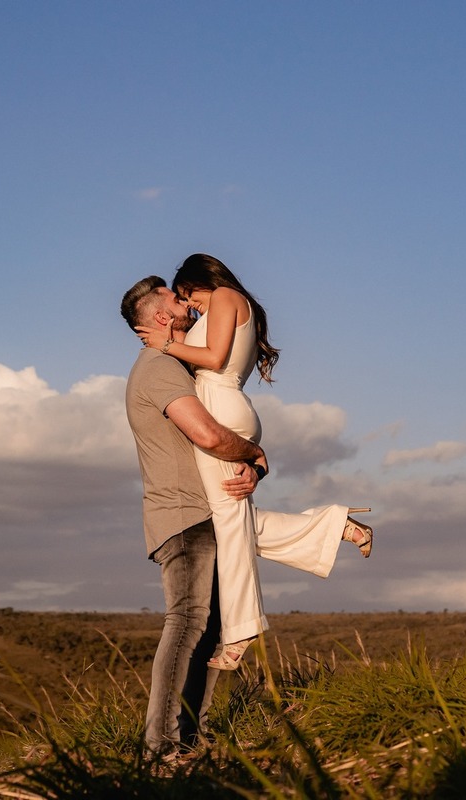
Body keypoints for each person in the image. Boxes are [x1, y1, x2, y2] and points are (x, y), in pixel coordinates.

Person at [137, 254, 374, 670]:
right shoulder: (224, 304)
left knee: (228, 524)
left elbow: (213, 357)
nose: (190, 306)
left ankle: (241, 629)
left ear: (199, 281)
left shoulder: (227, 296)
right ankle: (337, 526)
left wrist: (167, 345)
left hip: (221, 404)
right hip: (226, 404)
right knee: (231, 517)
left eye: (189, 296)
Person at [121, 275, 267, 756]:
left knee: (208, 631)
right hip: (185, 515)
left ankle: (188, 737)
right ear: (160, 317)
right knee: (187, 623)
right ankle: (161, 746)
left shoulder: (172, 361)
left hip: (200, 511)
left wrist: (249, 466)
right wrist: (256, 453)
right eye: (175, 300)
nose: (186, 304)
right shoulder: (160, 367)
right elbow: (206, 433)